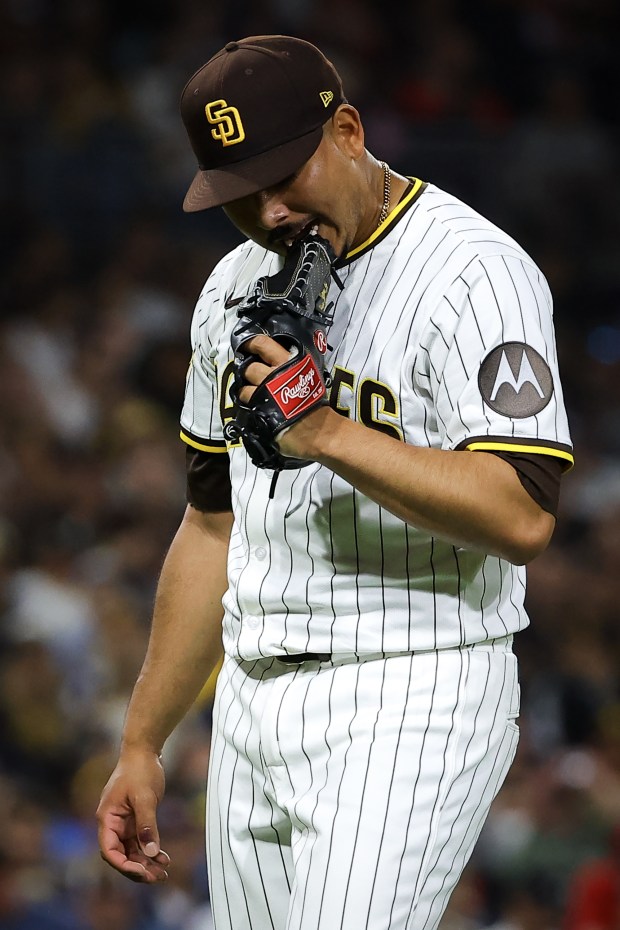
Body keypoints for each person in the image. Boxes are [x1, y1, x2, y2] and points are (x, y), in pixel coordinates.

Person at [96, 34, 574, 930]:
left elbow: (522, 516)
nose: (270, 212)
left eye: (285, 178)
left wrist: (325, 432)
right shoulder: (232, 290)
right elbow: (211, 525)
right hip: (250, 701)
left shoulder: (474, 274)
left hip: (413, 684)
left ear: (348, 131)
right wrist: (142, 740)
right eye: (240, 196)